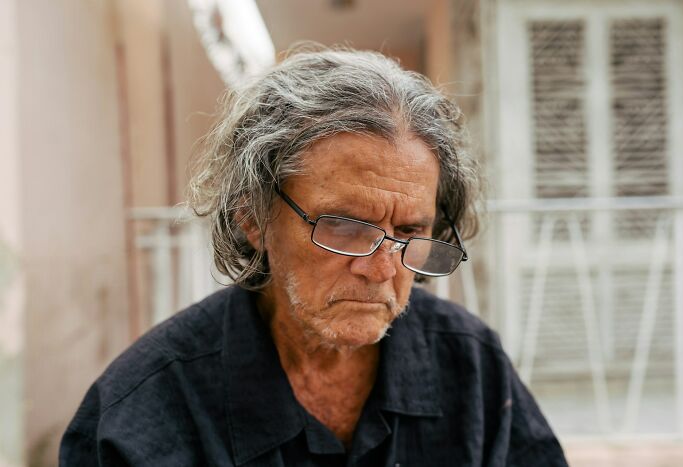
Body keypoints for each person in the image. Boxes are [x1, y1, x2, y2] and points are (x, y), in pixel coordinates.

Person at [60, 47, 568, 466]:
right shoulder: (142, 409)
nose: (382, 269)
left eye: (411, 230)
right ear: (252, 218)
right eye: (346, 226)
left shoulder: (472, 365)